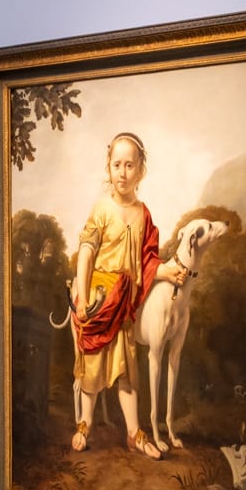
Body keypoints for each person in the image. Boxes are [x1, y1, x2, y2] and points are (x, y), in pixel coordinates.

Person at [68, 133, 186, 458]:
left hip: (124, 303)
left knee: (127, 371)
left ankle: (135, 433)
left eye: (129, 165)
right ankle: (85, 423)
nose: (122, 172)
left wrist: (165, 272)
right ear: (108, 167)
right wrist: (83, 300)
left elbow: (146, 261)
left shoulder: (143, 214)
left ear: (141, 170)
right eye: (117, 164)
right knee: (93, 367)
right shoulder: (102, 209)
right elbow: (86, 253)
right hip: (99, 298)